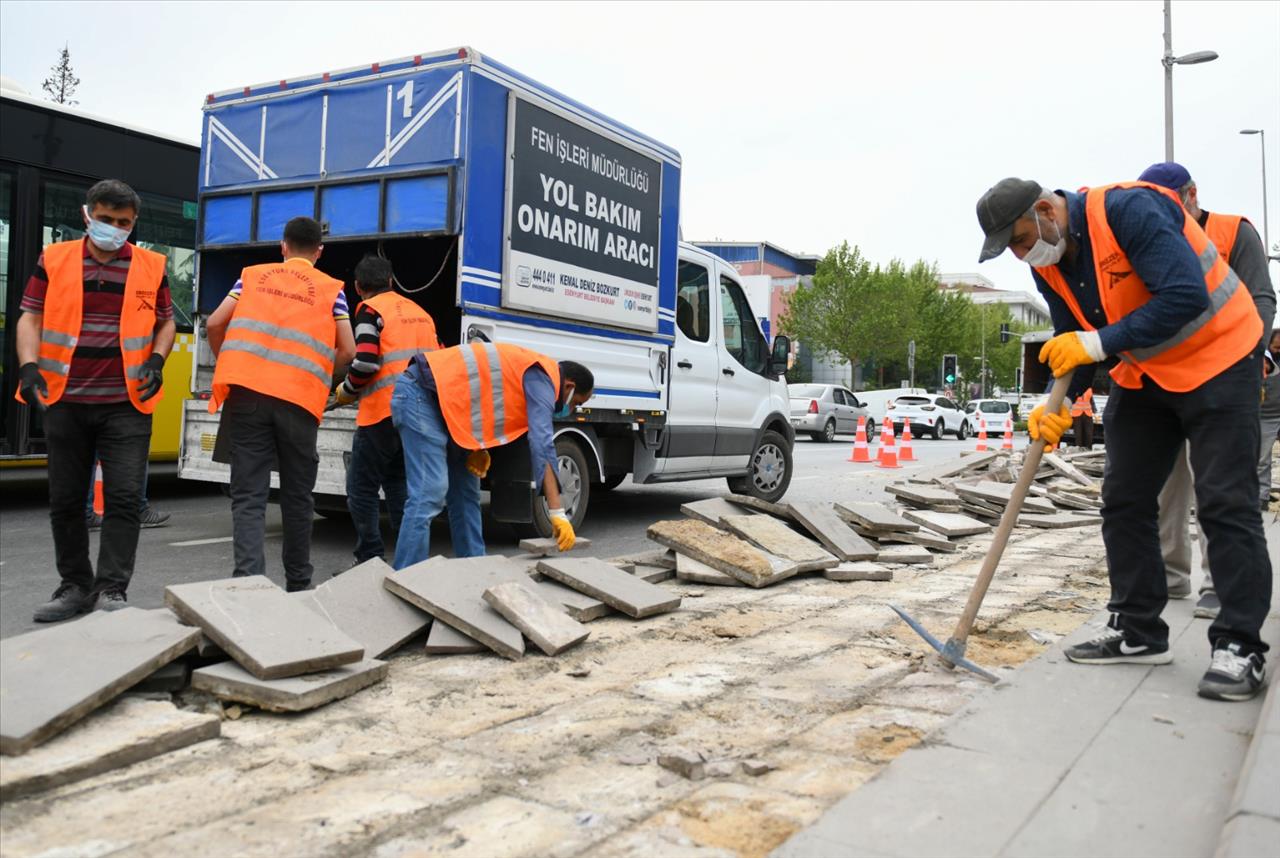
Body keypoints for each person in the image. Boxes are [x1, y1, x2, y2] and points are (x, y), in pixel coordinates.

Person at [976, 176, 1271, 702]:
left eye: (1023, 239)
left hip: (1220, 359)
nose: (1024, 255)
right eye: (1014, 250)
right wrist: (1061, 403)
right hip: (1148, 375)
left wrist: (1097, 342)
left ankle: (1240, 645)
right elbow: (1076, 345)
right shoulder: (1048, 263)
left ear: (1046, 210)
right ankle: (1138, 631)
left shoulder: (1129, 211)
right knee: (1124, 500)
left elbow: (1183, 295)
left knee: (1227, 501)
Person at [16, 179, 175, 620]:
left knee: (123, 500)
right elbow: (31, 316)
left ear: (134, 223)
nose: (114, 228)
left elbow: (164, 323)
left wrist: (158, 362)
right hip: (64, 399)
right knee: (66, 501)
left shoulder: (151, 265)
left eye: (123, 222)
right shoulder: (56, 258)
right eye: (106, 220)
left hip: (126, 404)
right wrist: (29, 367)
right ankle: (74, 587)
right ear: (89, 215)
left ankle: (112, 591)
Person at [1136, 162, 1276, 616]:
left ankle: (1217, 584)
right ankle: (1169, 576)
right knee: (1164, 485)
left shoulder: (1235, 232)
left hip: (1220, 378)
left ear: (1192, 194)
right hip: (1165, 378)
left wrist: (1248, 356)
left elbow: (1261, 297)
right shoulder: (1149, 237)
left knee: (1218, 485)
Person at [205, 216, 355, 592]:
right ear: (319, 251)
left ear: (283, 247)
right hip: (300, 401)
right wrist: (322, 378)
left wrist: (230, 359)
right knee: (297, 496)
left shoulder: (252, 277)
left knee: (250, 495)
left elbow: (214, 323)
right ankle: (299, 584)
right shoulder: (332, 289)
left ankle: (249, 584)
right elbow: (349, 349)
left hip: (248, 397)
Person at [390, 341, 593, 569]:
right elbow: (542, 443)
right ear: (569, 386)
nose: (572, 410)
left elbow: (485, 401)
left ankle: (475, 569)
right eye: (576, 403)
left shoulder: (533, 374)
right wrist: (557, 512)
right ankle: (407, 575)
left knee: (467, 493)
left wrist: (478, 446)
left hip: (444, 406)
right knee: (430, 490)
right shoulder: (543, 378)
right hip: (420, 394)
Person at [326, 255, 440, 567]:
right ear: (391, 282)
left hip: (380, 414)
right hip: (417, 416)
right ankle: (409, 559)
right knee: (399, 484)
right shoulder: (423, 315)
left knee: (360, 489)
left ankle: (369, 559)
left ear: (358, 287)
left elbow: (364, 362)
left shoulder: (369, 310)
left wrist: (346, 391)